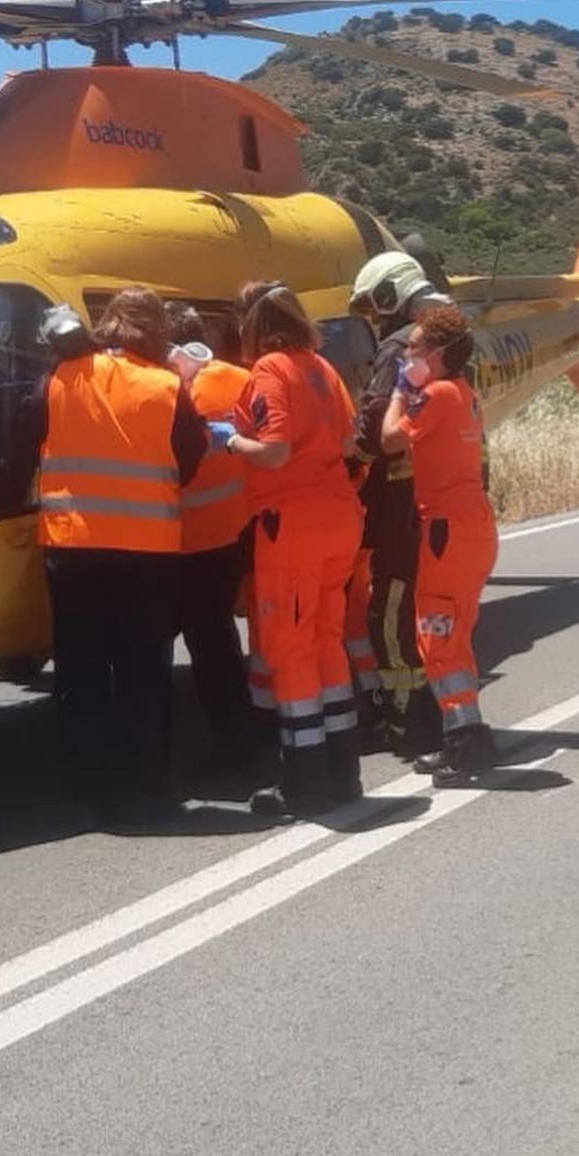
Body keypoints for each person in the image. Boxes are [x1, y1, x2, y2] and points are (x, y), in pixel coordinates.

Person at [36, 288, 209, 822]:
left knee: (81, 668)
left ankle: (89, 783)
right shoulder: (165, 386)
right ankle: (147, 782)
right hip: (147, 550)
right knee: (142, 671)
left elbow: (25, 432)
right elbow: (192, 454)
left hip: (72, 544)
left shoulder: (61, 377)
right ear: (157, 331)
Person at [223, 281, 365, 816]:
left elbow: (275, 450)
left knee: (290, 646)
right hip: (338, 518)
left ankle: (305, 778)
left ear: (252, 325)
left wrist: (232, 441)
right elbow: (349, 441)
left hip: (294, 523)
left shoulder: (271, 371)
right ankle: (342, 770)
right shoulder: (322, 368)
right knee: (328, 640)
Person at [381, 303, 503, 783]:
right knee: (457, 633)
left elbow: (391, 438)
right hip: (473, 528)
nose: (406, 354)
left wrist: (399, 391)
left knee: (436, 635)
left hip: (445, 532)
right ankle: (466, 730)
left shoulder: (434, 395)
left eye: (412, 347)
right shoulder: (465, 393)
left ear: (436, 353)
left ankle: (462, 740)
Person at [348, 249, 454, 757]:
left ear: (390, 296)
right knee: (430, 608)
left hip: (399, 506)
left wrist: (350, 452)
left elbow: (374, 426)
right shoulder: (447, 349)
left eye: (374, 307)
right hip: (441, 501)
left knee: (389, 611)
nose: (374, 318)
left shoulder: (397, 350)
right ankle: (437, 710)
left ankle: (408, 719)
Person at [164, 302, 255, 769]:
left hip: (191, 538)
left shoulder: (170, 389)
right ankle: (252, 724)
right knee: (225, 633)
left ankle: (230, 742)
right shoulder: (241, 378)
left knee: (200, 640)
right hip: (241, 527)